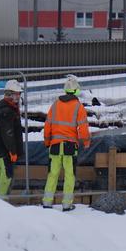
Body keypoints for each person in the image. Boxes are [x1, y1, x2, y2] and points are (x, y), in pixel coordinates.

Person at [42, 76, 91, 211]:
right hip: (70, 146)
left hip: (55, 145)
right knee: (70, 175)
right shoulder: (78, 107)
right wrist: (86, 142)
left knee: (53, 174)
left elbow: (47, 125)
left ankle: (47, 202)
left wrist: (47, 141)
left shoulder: (55, 104)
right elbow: (83, 128)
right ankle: (66, 204)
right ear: (76, 91)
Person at [0, 79, 24, 198]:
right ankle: (1, 202)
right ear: (9, 94)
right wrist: (12, 151)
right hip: (4, 149)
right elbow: (8, 134)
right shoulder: (6, 111)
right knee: (7, 174)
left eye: (19, 94)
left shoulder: (10, 108)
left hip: (3, 148)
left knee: (0, 173)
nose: (18, 96)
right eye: (17, 94)